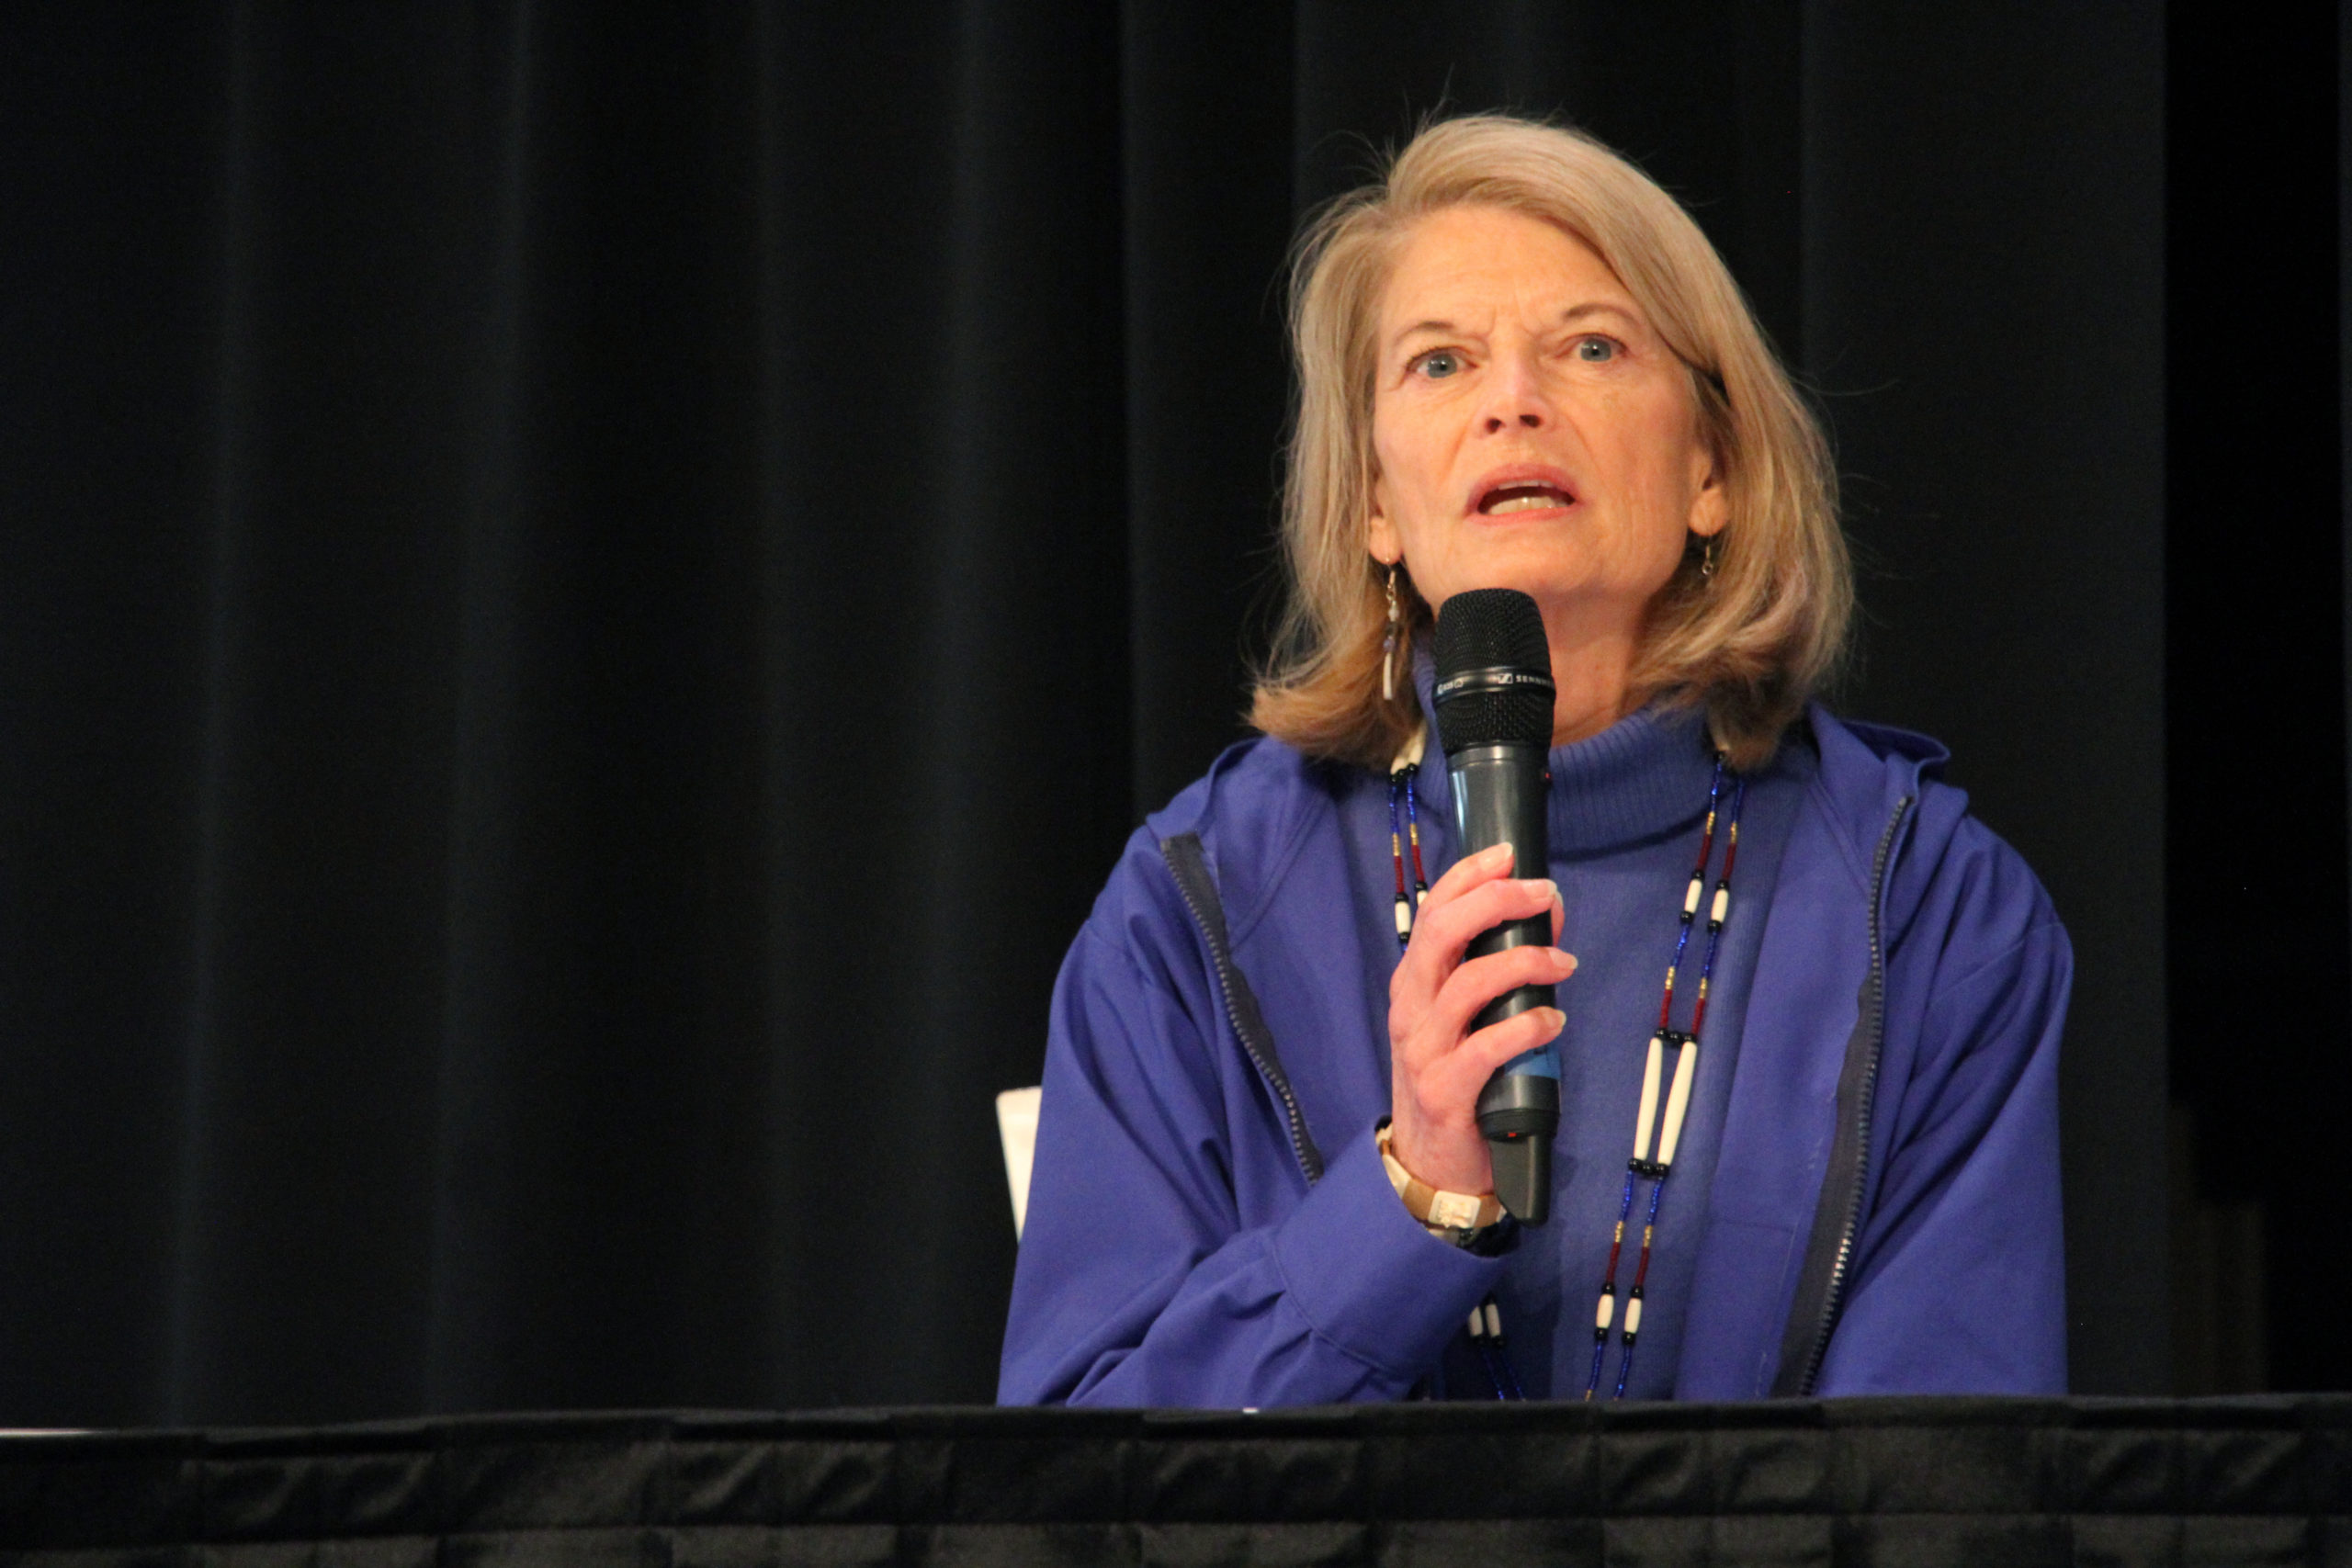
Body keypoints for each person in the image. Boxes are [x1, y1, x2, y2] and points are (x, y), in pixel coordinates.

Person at [999, 114, 2067, 1405]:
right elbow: (1077, 1474)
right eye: (1440, 363)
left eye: (1593, 347)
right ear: (1375, 504)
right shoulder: (1193, 909)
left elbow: (1944, 1485)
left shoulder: (1933, 909)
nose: (1515, 398)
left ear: (1710, 470)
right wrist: (1407, 1202)